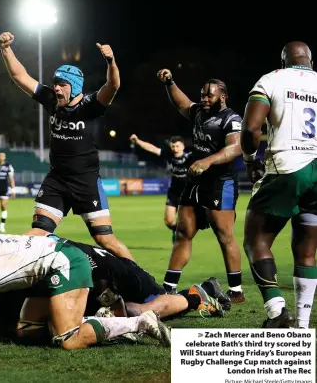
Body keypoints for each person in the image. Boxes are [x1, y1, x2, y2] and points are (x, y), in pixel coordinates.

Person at [0, 31, 133, 260]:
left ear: (75, 86)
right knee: (37, 233)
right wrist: (5, 49)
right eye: (55, 84)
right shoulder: (52, 100)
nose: (57, 89)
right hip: (57, 180)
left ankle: (145, 287)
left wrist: (111, 61)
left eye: (62, 85)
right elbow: (20, 76)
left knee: (105, 240)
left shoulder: (91, 105)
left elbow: (113, 84)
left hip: (86, 181)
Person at [0, 233, 171, 349]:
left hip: (64, 264)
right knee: (26, 332)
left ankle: (138, 323)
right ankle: (101, 321)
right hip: (53, 258)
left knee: (67, 340)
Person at [241, 41, 317, 328]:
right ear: (310, 60)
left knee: (256, 240)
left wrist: (250, 159)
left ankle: (277, 311)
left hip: (288, 167)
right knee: (307, 250)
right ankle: (303, 324)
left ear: (284, 60)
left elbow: (251, 129)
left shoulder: (272, 79)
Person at [157, 69, 245, 306]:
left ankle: (236, 290)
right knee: (183, 233)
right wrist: (170, 82)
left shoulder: (231, 119)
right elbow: (182, 103)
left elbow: (235, 148)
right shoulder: (199, 112)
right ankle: (168, 288)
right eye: (202, 95)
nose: (204, 99)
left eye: (210, 95)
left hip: (220, 183)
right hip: (195, 181)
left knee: (224, 235)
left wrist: (207, 161)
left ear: (223, 96)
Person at [129, 134, 191, 242]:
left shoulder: (190, 157)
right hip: (174, 192)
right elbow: (152, 148)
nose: (175, 149)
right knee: (169, 221)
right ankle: (177, 231)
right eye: (173, 146)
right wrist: (137, 141)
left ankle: (182, 238)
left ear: (183, 147)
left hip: (187, 194)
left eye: (177, 146)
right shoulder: (168, 155)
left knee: (187, 222)